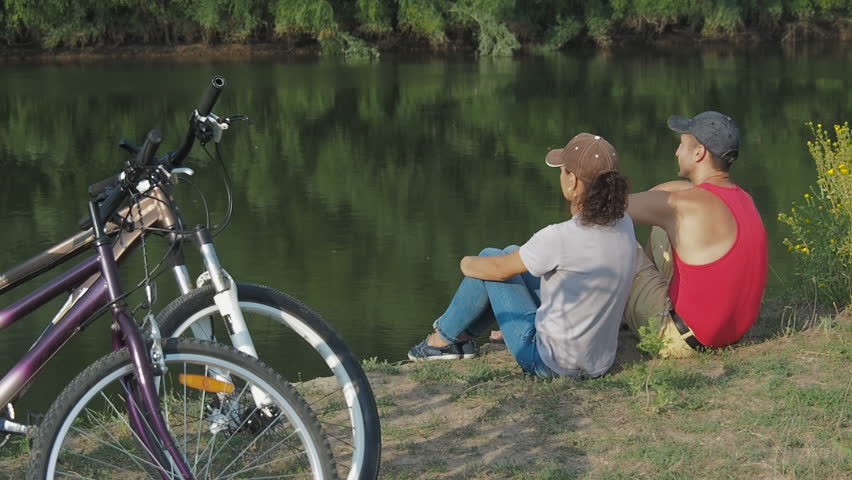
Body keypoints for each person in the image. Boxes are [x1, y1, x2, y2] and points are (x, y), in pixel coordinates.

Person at [408, 133, 637, 379]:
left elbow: (498, 270)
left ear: (573, 181)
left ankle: (441, 340)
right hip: (598, 361)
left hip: (549, 362)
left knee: (489, 258)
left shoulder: (561, 237)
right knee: (510, 253)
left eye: (563, 171)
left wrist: (464, 263)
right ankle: (460, 337)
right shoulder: (624, 224)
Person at [623, 111, 768, 358]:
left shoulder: (685, 206)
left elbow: (605, 209)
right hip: (729, 334)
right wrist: (661, 191)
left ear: (699, 152)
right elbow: (678, 194)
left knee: (619, 242)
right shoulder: (745, 199)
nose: (676, 152)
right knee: (662, 226)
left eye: (681, 145)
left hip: (679, 339)